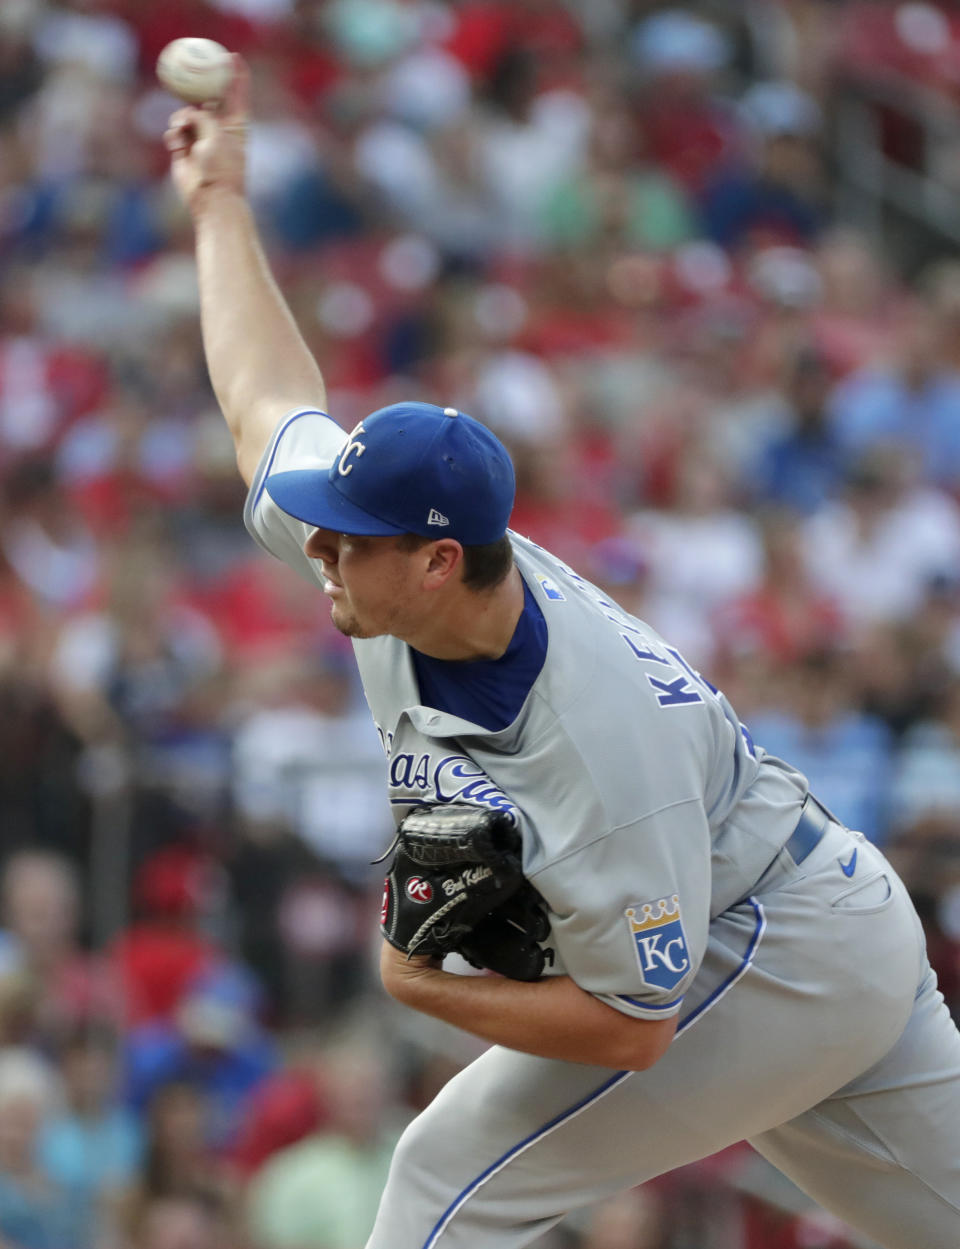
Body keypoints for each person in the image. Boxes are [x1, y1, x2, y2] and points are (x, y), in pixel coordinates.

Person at [163, 59, 960, 1249]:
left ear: (436, 561)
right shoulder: (405, 577)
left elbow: (637, 1026)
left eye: (350, 538)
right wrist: (219, 201)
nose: (318, 548)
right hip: (806, 916)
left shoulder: (591, 742)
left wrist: (420, 982)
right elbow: (264, 404)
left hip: (764, 952)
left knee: (445, 1179)